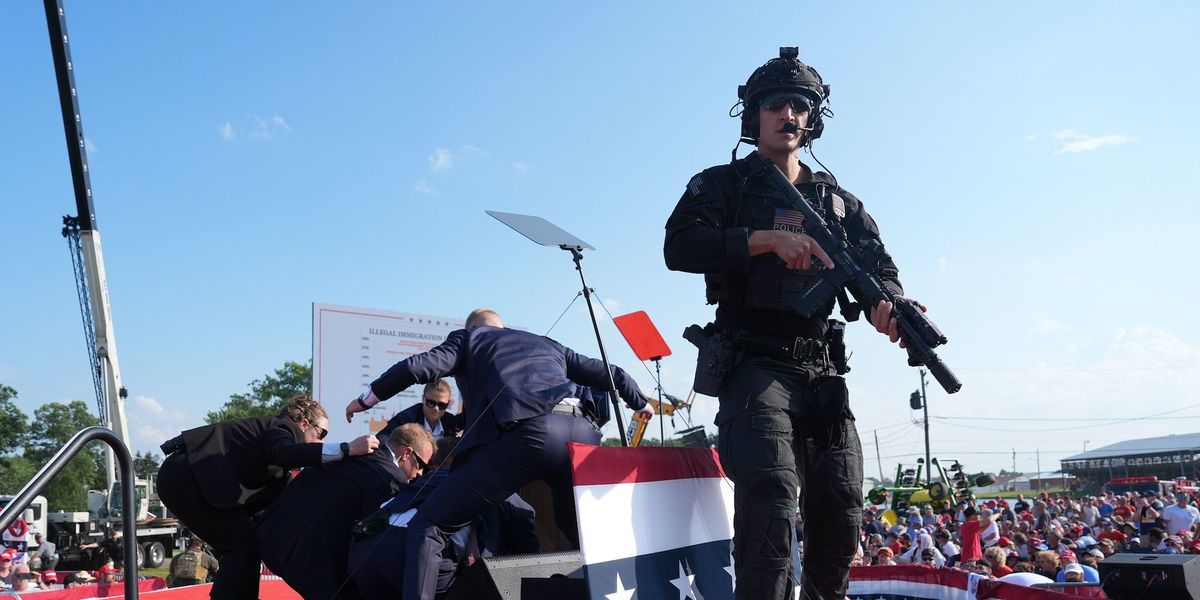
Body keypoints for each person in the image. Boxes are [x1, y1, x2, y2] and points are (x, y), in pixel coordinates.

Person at [663, 47, 914, 600]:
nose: (789, 115)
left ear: (813, 119)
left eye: (800, 106)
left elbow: (880, 268)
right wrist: (763, 240)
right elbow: (679, 246)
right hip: (754, 364)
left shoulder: (839, 203)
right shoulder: (722, 185)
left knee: (842, 505)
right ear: (754, 116)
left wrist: (892, 304)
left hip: (821, 372)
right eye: (776, 104)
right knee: (771, 501)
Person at [344, 307, 653, 600]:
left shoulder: (469, 339)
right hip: (582, 436)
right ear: (501, 327)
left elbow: (416, 367)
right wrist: (641, 403)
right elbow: (613, 373)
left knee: (430, 524)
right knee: (580, 531)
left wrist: (367, 399)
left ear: (472, 328)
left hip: (528, 436)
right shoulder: (547, 343)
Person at [156, 395, 378, 599]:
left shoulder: (278, 466)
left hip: (191, 481)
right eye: (322, 434)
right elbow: (285, 454)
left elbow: (286, 502)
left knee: (245, 546)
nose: (321, 441)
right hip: (185, 477)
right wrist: (347, 449)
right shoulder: (281, 429)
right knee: (243, 545)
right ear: (303, 424)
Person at [257, 423, 433, 600]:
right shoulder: (389, 477)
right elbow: (370, 537)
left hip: (275, 531)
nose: (420, 474)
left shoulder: (359, 449)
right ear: (407, 453)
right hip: (310, 552)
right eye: (421, 465)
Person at [379, 379, 463, 440]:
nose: (436, 408)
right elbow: (382, 438)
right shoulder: (406, 419)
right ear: (423, 399)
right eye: (431, 403)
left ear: (448, 403)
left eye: (442, 405)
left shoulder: (450, 421)